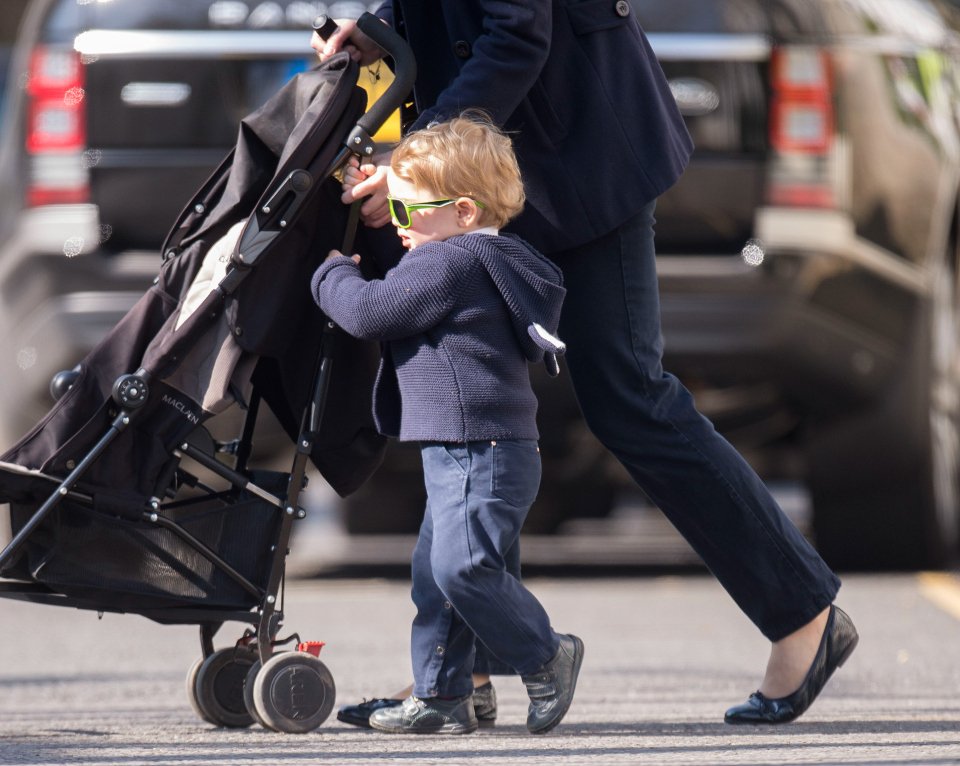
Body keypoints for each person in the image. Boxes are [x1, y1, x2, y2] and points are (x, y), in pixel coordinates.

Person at [314, 1, 858, 727]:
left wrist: (417, 163)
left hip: (579, 155)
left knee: (628, 394)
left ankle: (803, 614)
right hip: (482, 159)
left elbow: (516, 30)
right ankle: (453, 679)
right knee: (468, 394)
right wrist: (382, 26)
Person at [312, 114, 583, 735]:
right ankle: (442, 695)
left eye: (408, 214)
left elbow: (373, 311)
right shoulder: (491, 255)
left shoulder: (451, 261)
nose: (400, 228)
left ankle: (548, 656)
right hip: (482, 448)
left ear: (463, 211)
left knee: (461, 571)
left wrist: (331, 272)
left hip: (476, 448)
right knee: (439, 578)